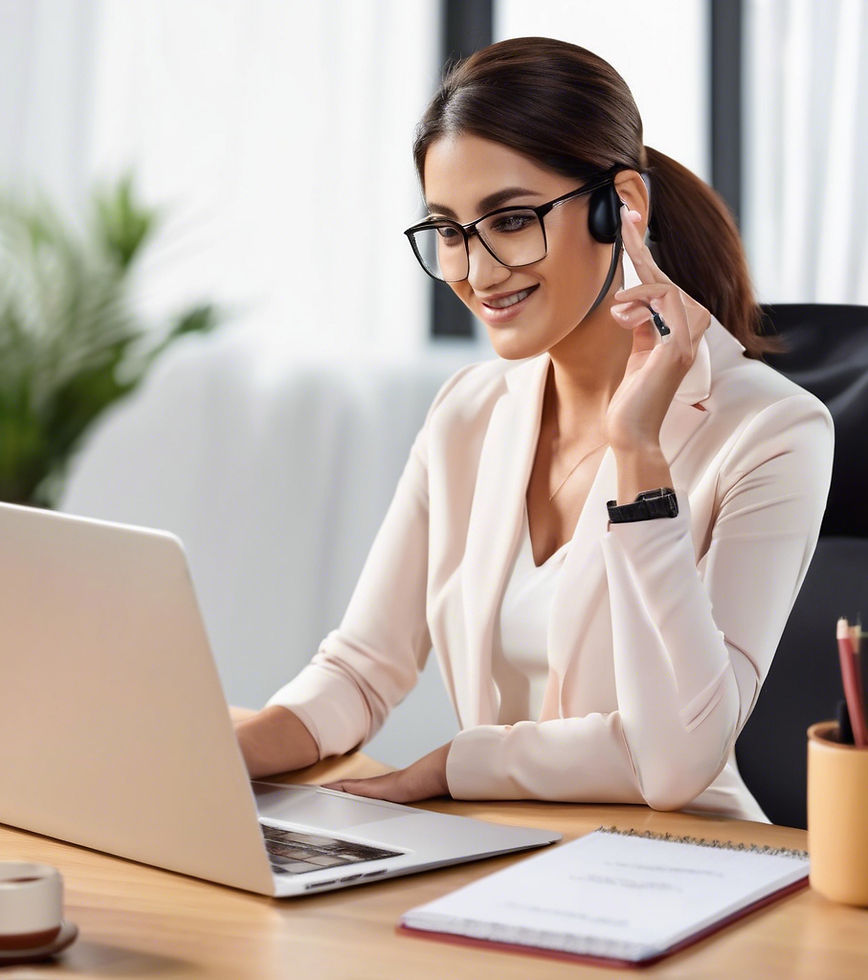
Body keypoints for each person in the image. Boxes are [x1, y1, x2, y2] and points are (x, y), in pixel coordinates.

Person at [235, 37, 833, 821]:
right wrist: (212, 754)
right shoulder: (469, 413)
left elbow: (675, 761)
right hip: (494, 858)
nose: (478, 273)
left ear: (622, 206)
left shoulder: (774, 430)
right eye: (449, 231)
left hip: (686, 869)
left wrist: (638, 454)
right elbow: (360, 670)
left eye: (511, 220)